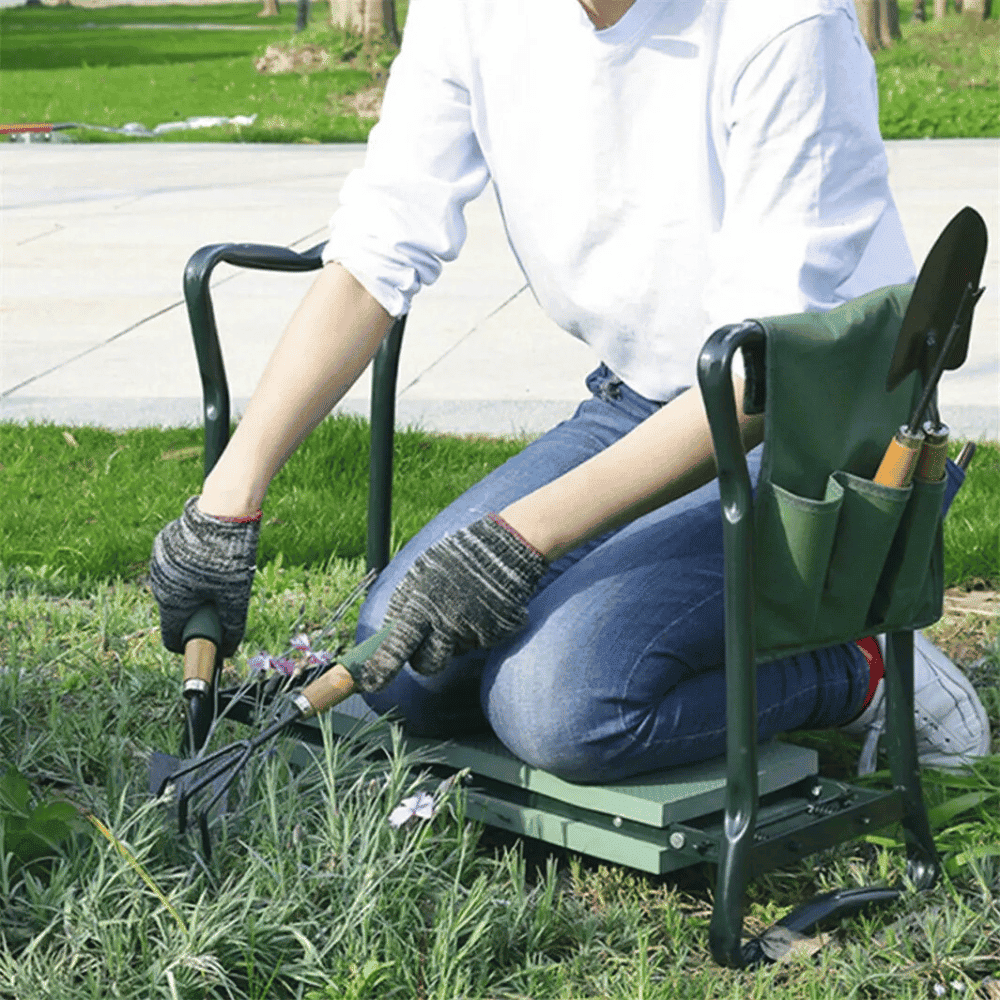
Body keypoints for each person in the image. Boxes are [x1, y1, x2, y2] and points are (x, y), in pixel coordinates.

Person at [150, 0, 990, 782]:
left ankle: (858, 668)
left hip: (823, 433)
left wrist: (522, 540)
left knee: (562, 705)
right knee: (402, 665)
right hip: (640, 402)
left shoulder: (786, 22)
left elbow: (755, 377)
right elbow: (375, 252)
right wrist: (229, 499)